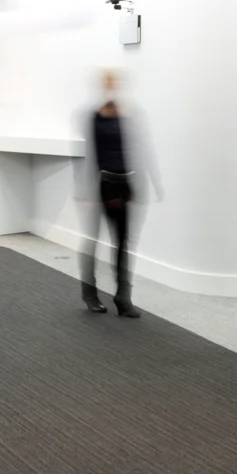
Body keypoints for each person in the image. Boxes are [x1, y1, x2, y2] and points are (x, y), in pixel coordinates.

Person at [77, 70, 157, 318]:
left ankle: (123, 298)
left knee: (123, 242)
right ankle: (89, 294)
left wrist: (148, 182)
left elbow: (140, 150)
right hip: (100, 184)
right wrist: (87, 190)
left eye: (116, 84)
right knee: (92, 240)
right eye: (108, 84)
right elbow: (89, 154)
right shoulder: (93, 117)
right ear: (102, 87)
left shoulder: (130, 116)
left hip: (125, 184)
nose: (113, 88)